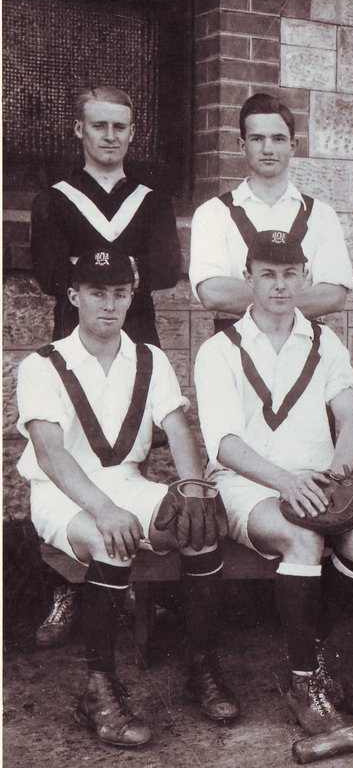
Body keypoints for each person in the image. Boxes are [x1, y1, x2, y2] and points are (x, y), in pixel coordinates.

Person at [16, 250, 236, 748]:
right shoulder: (42, 364)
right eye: (97, 293)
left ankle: (201, 666)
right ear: (74, 297)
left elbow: (177, 427)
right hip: (63, 494)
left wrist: (194, 488)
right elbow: (51, 456)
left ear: (130, 297)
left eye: (119, 293)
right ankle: (98, 689)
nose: (109, 305)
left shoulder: (149, 358)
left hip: (129, 483)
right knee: (108, 539)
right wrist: (102, 507)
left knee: (197, 528)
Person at [193, 230, 353, 733]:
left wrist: (335, 476)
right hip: (245, 482)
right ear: (248, 278)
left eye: (289, 274)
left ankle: (315, 651)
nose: (278, 286)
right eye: (267, 274)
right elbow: (225, 445)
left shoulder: (324, 340)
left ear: (305, 277)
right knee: (303, 537)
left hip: (314, 478)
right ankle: (303, 684)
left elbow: (352, 416)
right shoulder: (220, 349)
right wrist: (287, 485)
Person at [29, 86, 182, 646]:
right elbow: (48, 272)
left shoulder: (151, 197)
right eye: (99, 126)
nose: (110, 136)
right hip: (73, 338)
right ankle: (66, 586)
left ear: (132, 132)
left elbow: (167, 267)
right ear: (79, 130)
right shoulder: (54, 198)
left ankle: (130, 582)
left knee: (126, 453)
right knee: (72, 448)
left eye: (120, 127)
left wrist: (93, 267)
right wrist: (118, 266)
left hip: (135, 334)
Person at [189, 92, 353, 333]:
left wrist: (260, 298)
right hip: (236, 346)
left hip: (304, 345)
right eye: (257, 139)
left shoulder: (321, 214)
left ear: (292, 146)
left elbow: (333, 295)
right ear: (242, 146)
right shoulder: (213, 213)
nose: (268, 148)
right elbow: (213, 292)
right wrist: (294, 298)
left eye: (278, 139)